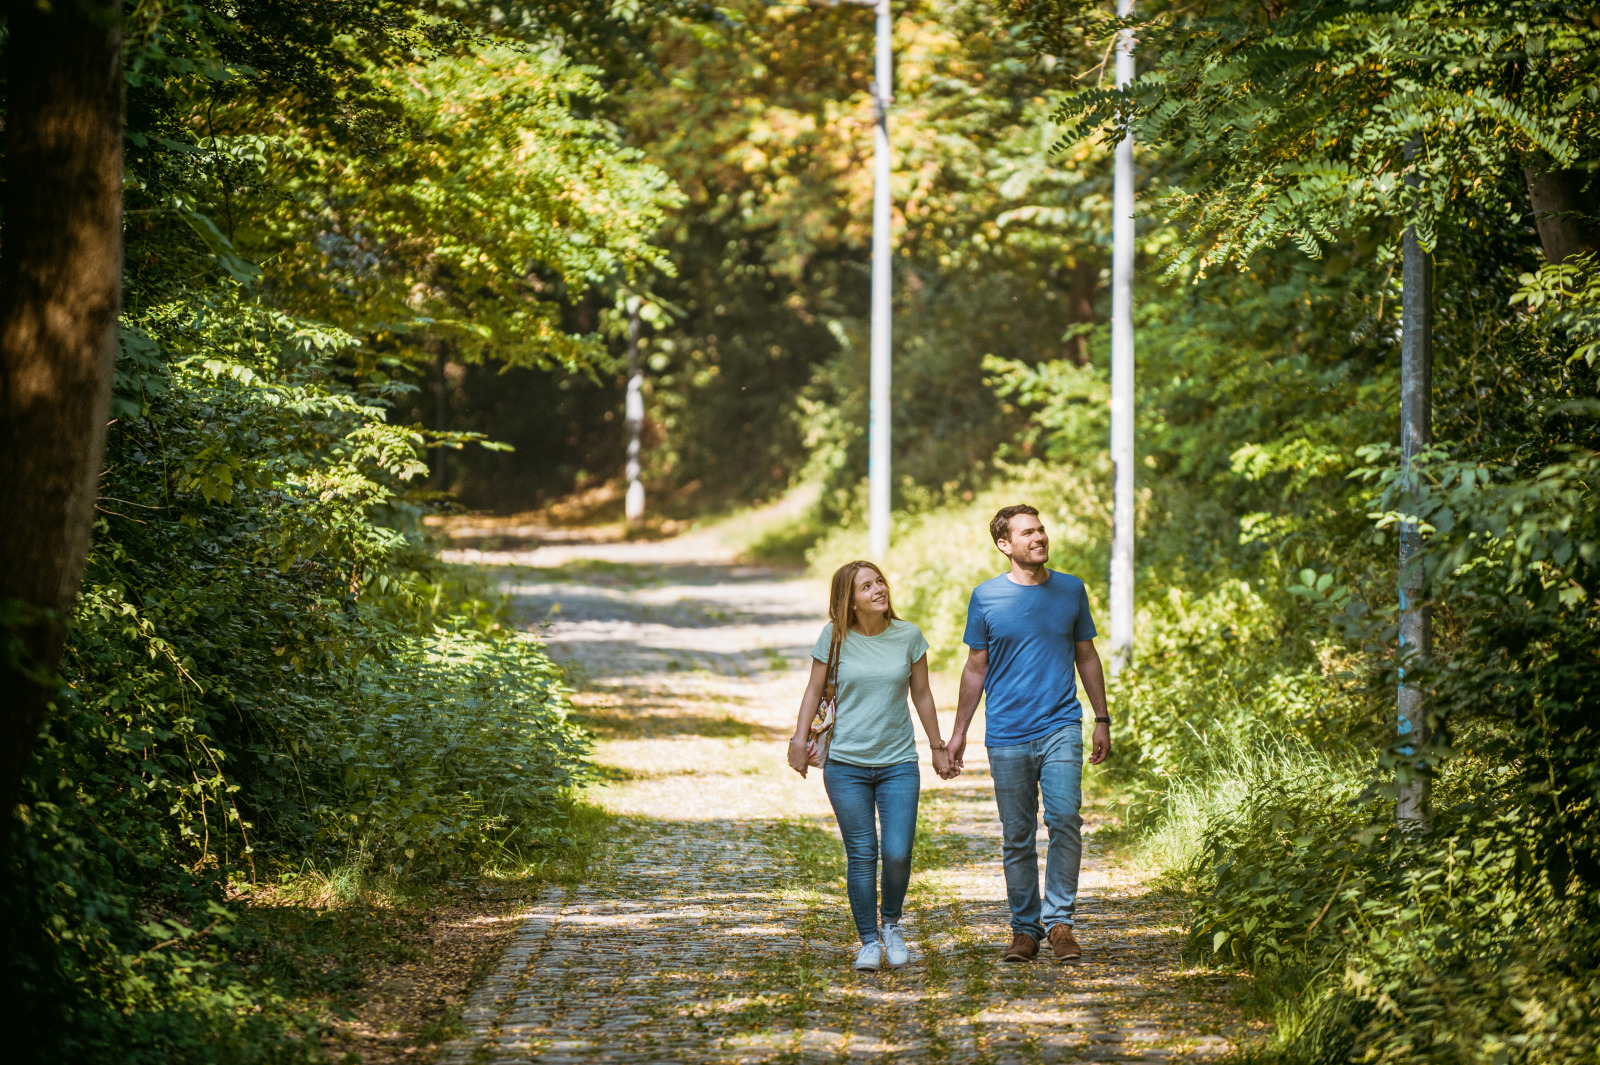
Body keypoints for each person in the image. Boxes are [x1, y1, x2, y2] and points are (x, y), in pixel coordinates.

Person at [945, 505, 1112, 964]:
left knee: (1064, 820)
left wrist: (1102, 718)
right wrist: (958, 734)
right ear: (1005, 545)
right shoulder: (986, 598)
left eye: (1040, 529)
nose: (1039, 537)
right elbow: (975, 669)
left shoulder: (1071, 590)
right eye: (1027, 532)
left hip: (1061, 724)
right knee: (1017, 834)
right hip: (1007, 732)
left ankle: (1060, 924)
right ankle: (1024, 930)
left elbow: (1087, 656)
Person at [788, 560, 956, 972]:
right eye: (867, 586)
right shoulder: (834, 637)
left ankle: (892, 925)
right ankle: (868, 941)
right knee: (862, 853)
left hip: (898, 762)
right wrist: (797, 738)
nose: (879, 589)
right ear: (850, 600)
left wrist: (937, 746)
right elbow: (813, 691)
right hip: (845, 765)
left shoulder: (909, 637)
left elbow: (923, 696)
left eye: (879, 581)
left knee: (897, 852)